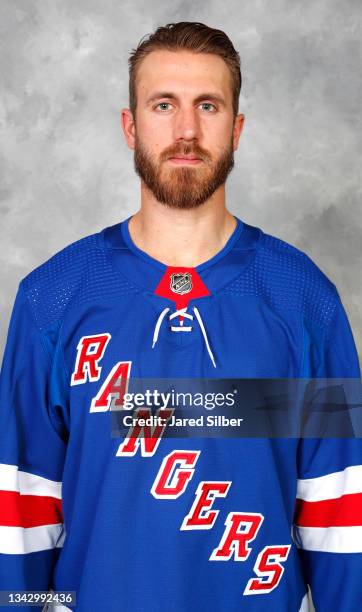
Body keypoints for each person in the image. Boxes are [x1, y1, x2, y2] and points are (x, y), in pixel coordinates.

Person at [0, 21, 361, 612]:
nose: (187, 130)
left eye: (208, 106)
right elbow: (20, 516)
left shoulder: (306, 302)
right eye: (163, 105)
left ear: (237, 129)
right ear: (130, 125)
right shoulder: (52, 298)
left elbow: (339, 517)